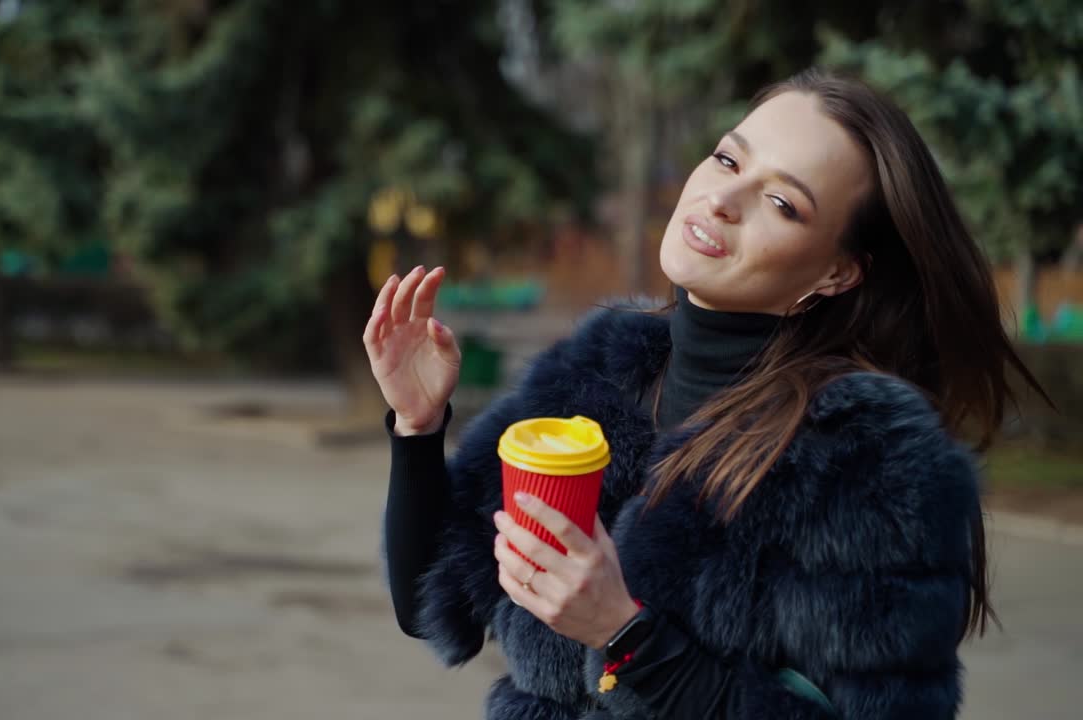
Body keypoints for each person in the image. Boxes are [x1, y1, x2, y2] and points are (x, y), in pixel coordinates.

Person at [363, 68, 1045, 719]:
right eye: (727, 160)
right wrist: (418, 425)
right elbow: (431, 601)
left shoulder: (867, 459)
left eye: (782, 203)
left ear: (837, 273)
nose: (722, 199)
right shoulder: (597, 370)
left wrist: (626, 634)